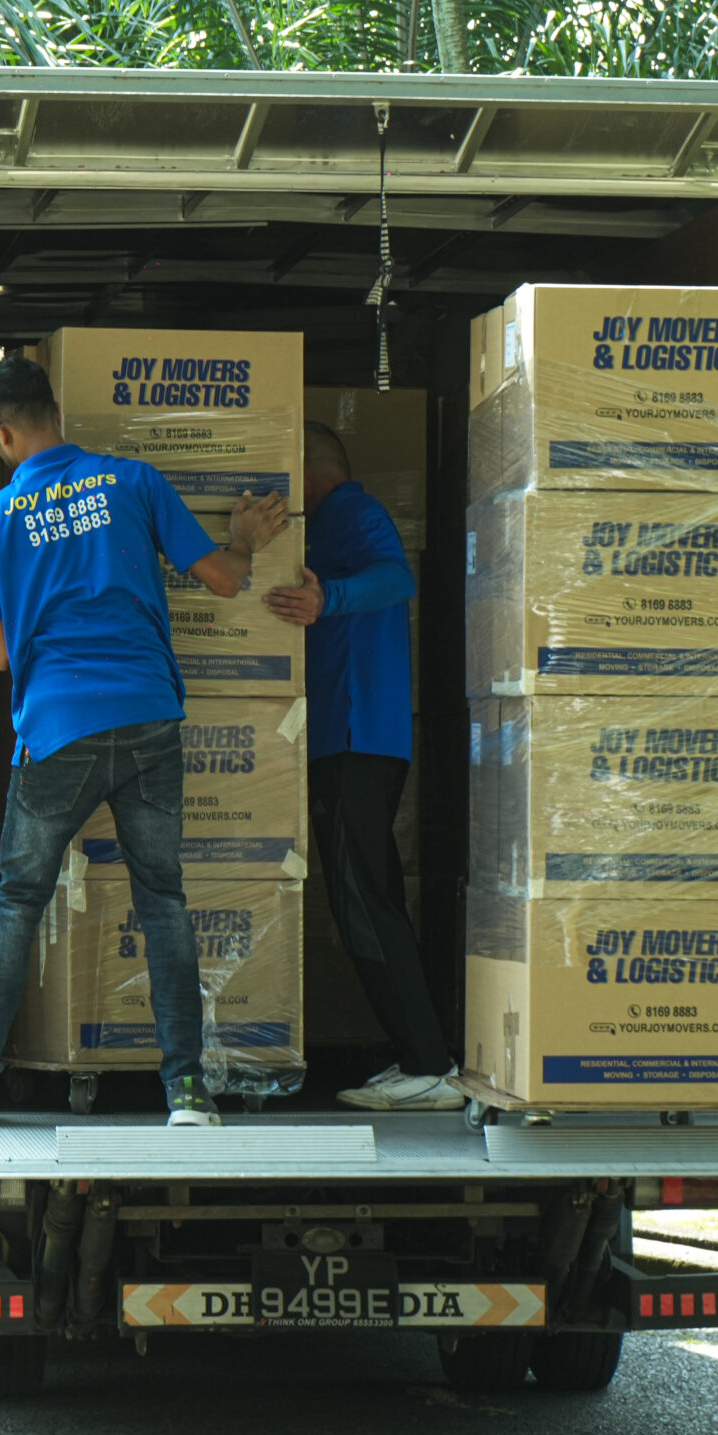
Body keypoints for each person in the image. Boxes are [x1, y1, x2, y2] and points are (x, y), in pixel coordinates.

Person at [0, 356, 288, 1129]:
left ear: (1, 432)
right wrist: (242, 540)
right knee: (161, 898)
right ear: (55, 409)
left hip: (57, 729)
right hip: (146, 719)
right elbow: (227, 582)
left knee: (17, 900)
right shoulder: (134, 482)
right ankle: (187, 1092)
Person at [265, 419, 458, 1109]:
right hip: (349, 738)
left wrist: (329, 598)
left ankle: (429, 1064)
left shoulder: (351, 508)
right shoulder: (327, 524)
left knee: (366, 903)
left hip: (357, 736)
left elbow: (394, 576)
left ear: (309, 469)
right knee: (363, 901)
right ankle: (419, 1055)